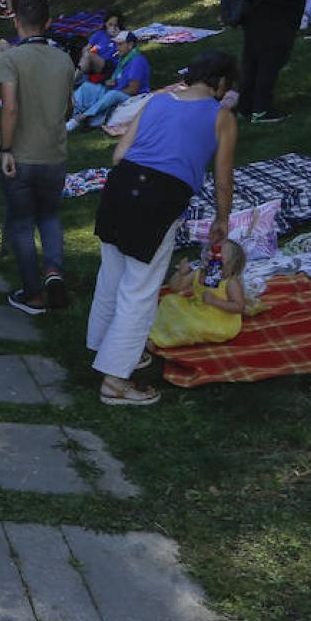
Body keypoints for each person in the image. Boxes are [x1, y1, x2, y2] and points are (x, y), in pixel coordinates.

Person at [87, 51, 237, 406]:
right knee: (140, 288)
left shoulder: (156, 101)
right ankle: (115, 378)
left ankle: (105, 347)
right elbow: (223, 179)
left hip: (121, 186)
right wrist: (222, 218)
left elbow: (119, 153)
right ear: (222, 83)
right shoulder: (222, 116)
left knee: (112, 274)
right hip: (159, 197)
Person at [0, 0, 77, 315]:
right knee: (50, 217)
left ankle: (33, 293)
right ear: (49, 23)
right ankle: (53, 272)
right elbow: (70, 106)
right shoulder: (64, 60)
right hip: (55, 154)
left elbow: (10, 107)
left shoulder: (9, 60)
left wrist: (6, 148)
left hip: (22, 155)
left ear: (16, 23)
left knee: (23, 223)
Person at [148, 240, 250, 348]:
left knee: (191, 325)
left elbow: (239, 307)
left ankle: (158, 340)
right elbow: (176, 287)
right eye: (210, 250)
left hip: (219, 320)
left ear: (231, 265)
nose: (211, 253)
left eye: (218, 253)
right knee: (169, 300)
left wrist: (215, 301)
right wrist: (181, 274)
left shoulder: (230, 282)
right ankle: (156, 331)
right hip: (197, 309)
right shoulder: (199, 272)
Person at [70, 30, 152, 130]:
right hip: (117, 91)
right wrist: (111, 83)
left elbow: (133, 90)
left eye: (120, 44)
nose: (117, 47)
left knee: (112, 94)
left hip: (134, 98)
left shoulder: (137, 61)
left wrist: (114, 90)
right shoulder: (124, 58)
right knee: (87, 87)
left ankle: (82, 118)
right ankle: (74, 115)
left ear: (130, 45)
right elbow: (118, 80)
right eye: (117, 44)